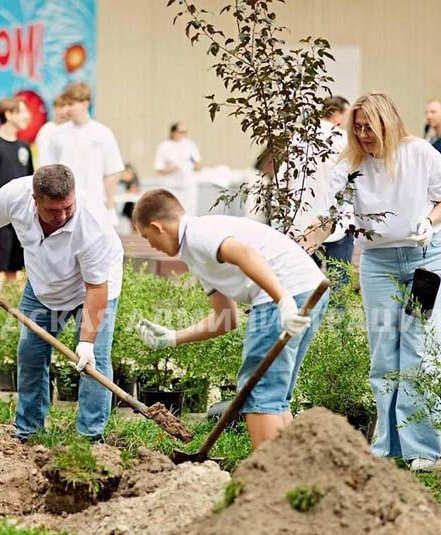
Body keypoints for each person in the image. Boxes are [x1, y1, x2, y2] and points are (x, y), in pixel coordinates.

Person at [304, 92, 441, 471]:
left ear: (389, 123)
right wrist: (301, 241)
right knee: (383, 354)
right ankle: (387, 446)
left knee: (416, 351)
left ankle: (424, 449)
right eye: (358, 127)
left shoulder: (420, 153)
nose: (363, 134)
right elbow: (329, 220)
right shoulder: (349, 167)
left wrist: (428, 222)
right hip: (378, 263)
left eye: (370, 127)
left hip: (425, 261)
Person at [133, 189, 328, 450]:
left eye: (147, 237)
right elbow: (225, 319)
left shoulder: (198, 233)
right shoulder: (194, 254)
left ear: (157, 227)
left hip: (287, 293)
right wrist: (172, 338)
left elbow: (244, 254)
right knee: (273, 395)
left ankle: (270, 476)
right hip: (305, 289)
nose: (151, 245)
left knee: (257, 392)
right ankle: (289, 472)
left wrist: (282, 300)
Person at [0, 165, 124, 442]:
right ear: (34, 199)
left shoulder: (92, 225)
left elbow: (96, 287)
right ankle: (28, 432)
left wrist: (87, 342)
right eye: (54, 210)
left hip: (92, 287)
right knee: (29, 354)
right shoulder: (13, 195)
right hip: (43, 283)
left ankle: (90, 439)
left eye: (68, 207)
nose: (63, 215)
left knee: (94, 363)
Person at [287, 96, 353, 286]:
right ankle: (337, 317)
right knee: (339, 285)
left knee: (304, 286)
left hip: (301, 222)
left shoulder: (298, 138)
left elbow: (286, 178)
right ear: (336, 114)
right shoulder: (342, 139)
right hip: (333, 221)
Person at [43, 82, 124, 226]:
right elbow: (48, 170)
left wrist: (110, 208)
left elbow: (112, 172)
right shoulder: (57, 134)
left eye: (71, 104)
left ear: (85, 103)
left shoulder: (103, 134)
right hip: (64, 205)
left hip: (95, 204)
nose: (67, 109)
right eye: (65, 104)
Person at [0, 96, 34, 279]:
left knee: (14, 265)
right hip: (0, 212)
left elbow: (30, 180)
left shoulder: (24, 147)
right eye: (22, 111)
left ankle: (8, 302)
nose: (27, 116)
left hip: (21, 214)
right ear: (9, 114)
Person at [153, 122, 202, 215]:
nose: (183, 135)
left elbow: (197, 164)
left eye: (185, 132)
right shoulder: (164, 146)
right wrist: (175, 167)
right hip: (171, 186)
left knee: (189, 212)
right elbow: (159, 169)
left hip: (187, 186)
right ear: (173, 132)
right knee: (170, 213)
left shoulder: (190, 145)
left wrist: (189, 166)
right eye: (180, 132)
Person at [35, 94, 68, 165]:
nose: (63, 112)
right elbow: (43, 157)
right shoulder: (47, 130)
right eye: (60, 107)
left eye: (65, 107)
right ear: (55, 109)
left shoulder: (72, 130)